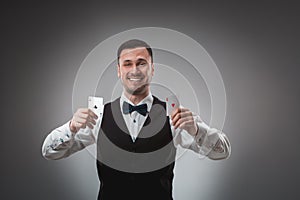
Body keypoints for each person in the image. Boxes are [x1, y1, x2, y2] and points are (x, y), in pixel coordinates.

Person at [42, 39, 231, 200]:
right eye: (127, 63)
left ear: (152, 69)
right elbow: (49, 152)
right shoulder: (98, 116)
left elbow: (222, 152)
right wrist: (71, 127)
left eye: (141, 63)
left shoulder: (173, 116)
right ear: (118, 70)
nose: (135, 70)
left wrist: (198, 131)